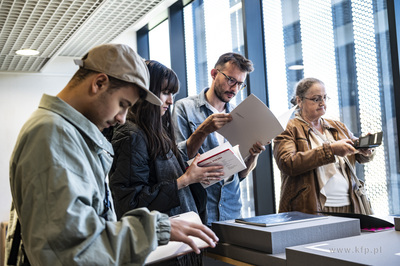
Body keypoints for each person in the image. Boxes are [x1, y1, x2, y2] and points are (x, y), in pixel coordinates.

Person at [5, 44, 218, 266]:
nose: (122, 118)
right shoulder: (53, 134)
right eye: (122, 105)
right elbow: (72, 251)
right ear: (99, 83)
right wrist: (155, 229)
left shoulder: (66, 133)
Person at [108, 60, 224, 265]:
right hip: (162, 250)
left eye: (173, 94)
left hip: (180, 247)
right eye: (164, 92)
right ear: (145, 93)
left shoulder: (156, 131)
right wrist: (183, 181)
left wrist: (192, 172)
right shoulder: (131, 135)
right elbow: (130, 204)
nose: (170, 101)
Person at [172, 52, 266, 226]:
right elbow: (179, 162)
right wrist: (202, 131)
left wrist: (254, 154)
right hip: (199, 207)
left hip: (231, 207)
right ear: (214, 74)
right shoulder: (184, 108)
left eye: (240, 84)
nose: (235, 89)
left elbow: (240, 175)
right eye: (231, 80)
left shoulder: (240, 115)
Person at [273, 77, 375, 214]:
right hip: (311, 208)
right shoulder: (288, 128)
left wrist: (366, 149)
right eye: (316, 99)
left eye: (325, 97)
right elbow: (288, 163)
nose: (322, 103)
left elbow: (361, 158)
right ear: (299, 101)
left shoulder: (337, 126)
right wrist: (330, 150)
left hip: (349, 206)